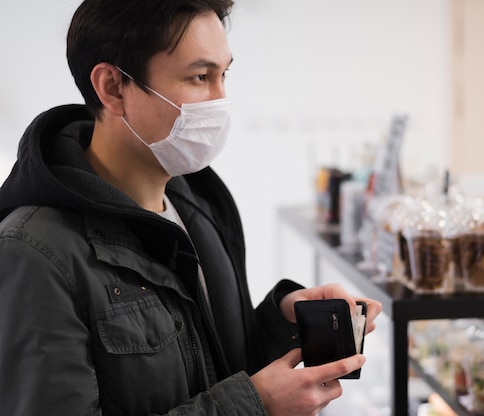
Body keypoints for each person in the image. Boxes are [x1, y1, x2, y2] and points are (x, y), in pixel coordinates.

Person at [0, 0, 383, 415]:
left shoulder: (196, 206)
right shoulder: (34, 253)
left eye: (224, 75)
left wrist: (281, 323)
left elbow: (215, 363)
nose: (220, 100)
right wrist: (255, 407)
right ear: (112, 87)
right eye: (200, 77)